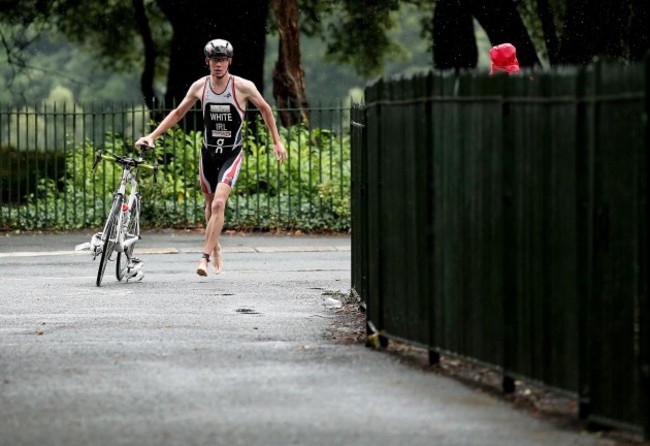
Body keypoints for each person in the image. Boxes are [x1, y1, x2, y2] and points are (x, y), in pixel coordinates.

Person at [136, 38, 287, 277]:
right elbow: (177, 113)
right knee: (209, 205)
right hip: (208, 154)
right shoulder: (200, 87)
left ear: (229, 62)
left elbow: (266, 108)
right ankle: (214, 245)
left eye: (223, 60)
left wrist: (277, 142)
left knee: (219, 203)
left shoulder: (242, 86)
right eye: (214, 60)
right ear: (207, 62)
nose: (218, 64)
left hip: (232, 153)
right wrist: (152, 136)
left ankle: (204, 258)